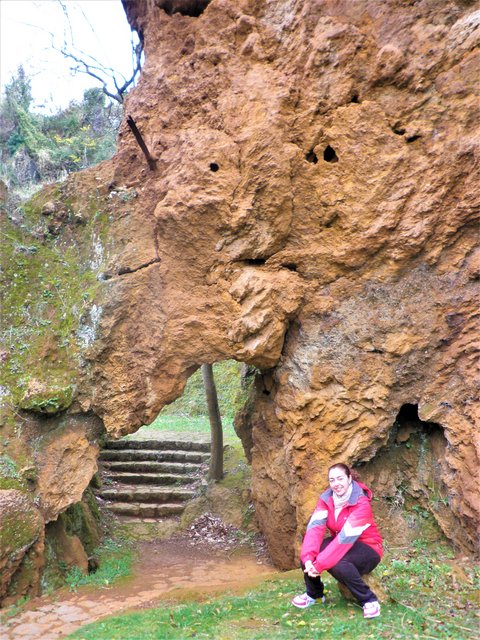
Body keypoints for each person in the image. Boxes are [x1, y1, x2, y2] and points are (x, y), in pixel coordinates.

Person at [291, 463, 383, 619]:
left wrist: (319, 565)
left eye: (340, 478)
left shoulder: (361, 502)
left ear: (349, 478)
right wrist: (309, 559)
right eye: (332, 480)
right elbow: (315, 529)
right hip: (342, 542)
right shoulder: (326, 499)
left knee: (338, 564)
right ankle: (315, 594)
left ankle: (369, 600)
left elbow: (345, 538)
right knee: (308, 554)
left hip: (369, 548)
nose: (336, 484)